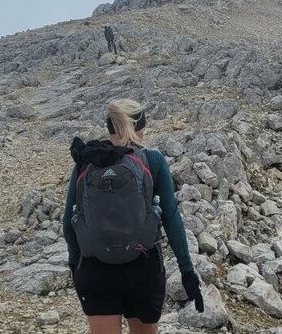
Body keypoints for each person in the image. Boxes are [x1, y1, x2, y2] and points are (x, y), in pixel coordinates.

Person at [62, 99, 204, 334]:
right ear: (138, 128)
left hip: (95, 270)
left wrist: (75, 264)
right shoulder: (152, 159)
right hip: (143, 268)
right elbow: (171, 218)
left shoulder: (86, 161)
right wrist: (187, 270)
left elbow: (68, 223)